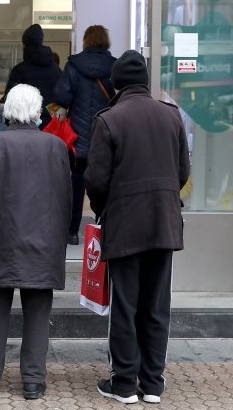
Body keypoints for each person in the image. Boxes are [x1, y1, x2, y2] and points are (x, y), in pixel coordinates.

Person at [84, 50, 190, 405]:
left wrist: (104, 211)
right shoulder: (171, 116)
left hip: (126, 224)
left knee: (125, 304)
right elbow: (182, 173)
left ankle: (125, 383)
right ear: (145, 82)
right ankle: (153, 384)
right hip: (164, 223)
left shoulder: (109, 119)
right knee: (157, 304)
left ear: (116, 83)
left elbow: (96, 180)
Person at [0, 84, 71, 400]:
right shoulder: (56, 147)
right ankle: (34, 382)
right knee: (38, 314)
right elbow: (66, 197)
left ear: (8, 111)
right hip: (43, 241)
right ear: (38, 112)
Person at [52, 24, 116, 245]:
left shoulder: (73, 65)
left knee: (77, 185)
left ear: (86, 41)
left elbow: (62, 94)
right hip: (105, 137)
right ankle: (103, 228)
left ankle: (72, 231)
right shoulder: (114, 66)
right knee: (104, 184)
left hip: (78, 138)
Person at [2, 23, 61, 127]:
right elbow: (60, 98)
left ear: (25, 44)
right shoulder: (57, 70)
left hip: (26, 126)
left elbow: (10, 101)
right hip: (52, 127)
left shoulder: (19, 70)